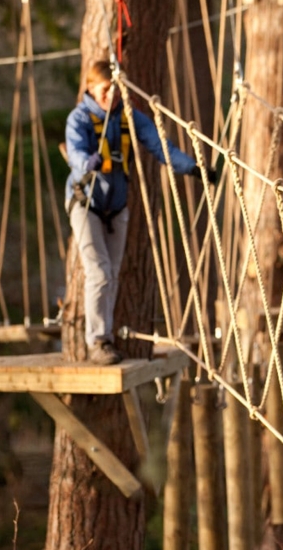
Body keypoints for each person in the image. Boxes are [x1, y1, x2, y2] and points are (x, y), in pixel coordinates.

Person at [64, 60, 214, 365]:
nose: (111, 97)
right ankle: (98, 340)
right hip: (85, 203)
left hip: (116, 208)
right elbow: (76, 150)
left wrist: (193, 168)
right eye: (105, 90)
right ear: (91, 89)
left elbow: (161, 146)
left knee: (112, 275)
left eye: (115, 90)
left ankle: (105, 335)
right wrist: (85, 162)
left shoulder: (129, 116)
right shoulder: (79, 119)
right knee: (100, 272)